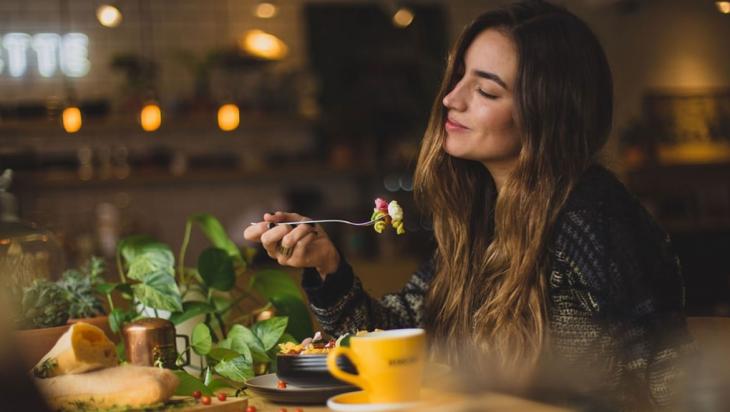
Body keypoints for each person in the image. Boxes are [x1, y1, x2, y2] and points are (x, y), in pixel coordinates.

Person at [244, 1, 693, 409]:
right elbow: (399, 335)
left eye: (487, 91)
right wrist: (327, 266)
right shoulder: (483, 217)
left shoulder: (592, 218)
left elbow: (664, 382)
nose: (450, 99)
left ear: (546, 115)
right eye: (459, 77)